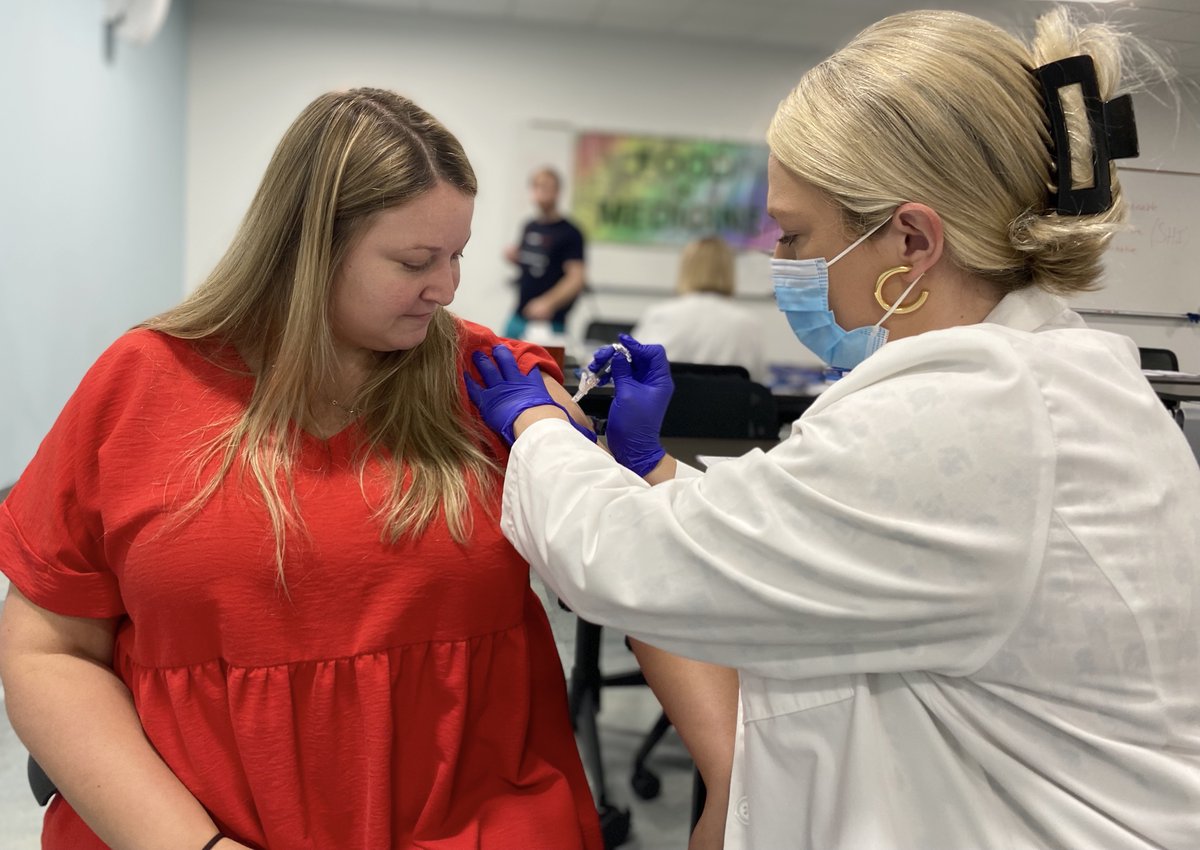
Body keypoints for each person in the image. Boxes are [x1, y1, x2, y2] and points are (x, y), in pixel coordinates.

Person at [464, 8, 1200, 850]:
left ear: (913, 239)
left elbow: (629, 565)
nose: (784, 261)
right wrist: (651, 468)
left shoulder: (979, 410)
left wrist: (537, 427)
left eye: (797, 234)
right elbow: (806, 541)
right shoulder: (1045, 379)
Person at [0, 88, 603, 850]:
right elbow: (48, 651)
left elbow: (634, 555)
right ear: (307, 247)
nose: (447, 288)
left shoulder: (490, 380)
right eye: (416, 261)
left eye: (458, 255)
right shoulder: (140, 387)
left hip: (472, 824)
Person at [631, 235, 767, 383]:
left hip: (669, 405)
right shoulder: (748, 323)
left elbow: (635, 374)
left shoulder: (659, 315)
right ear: (729, 271)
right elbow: (757, 382)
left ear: (686, 268)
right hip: (727, 405)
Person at [503, 166, 586, 340]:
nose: (542, 192)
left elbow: (576, 278)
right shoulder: (529, 226)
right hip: (520, 313)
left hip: (550, 321)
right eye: (538, 186)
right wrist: (516, 258)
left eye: (548, 187)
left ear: (557, 191)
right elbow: (537, 263)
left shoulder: (570, 232)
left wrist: (548, 302)